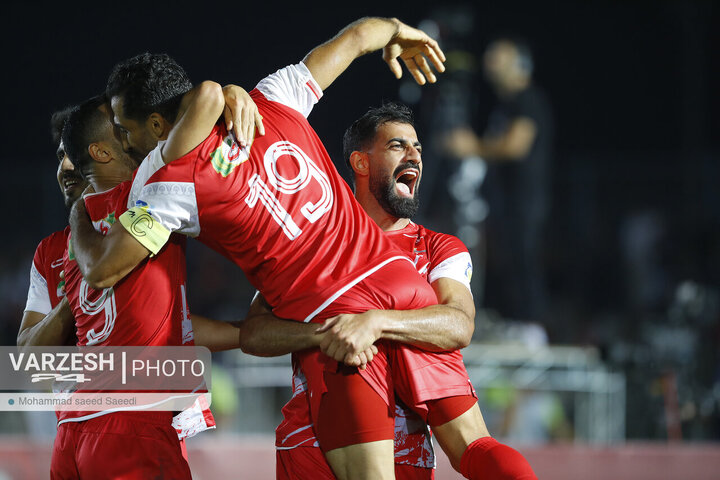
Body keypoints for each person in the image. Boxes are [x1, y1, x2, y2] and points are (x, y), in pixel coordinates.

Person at [68, 18, 534, 479]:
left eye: (126, 131)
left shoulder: (165, 187)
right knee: (475, 447)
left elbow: (105, 270)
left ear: (155, 123)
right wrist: (395, 30)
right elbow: (354, 38)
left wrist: (78, 214)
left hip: (338, 314)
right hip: (400, 278)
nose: (126, 144)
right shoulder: (271, 98)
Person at [235, 102, 535, 479]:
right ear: (361, 163)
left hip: (406, 453)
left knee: (477, 443)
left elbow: (459, 326)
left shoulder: (439, 247)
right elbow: (253, 333)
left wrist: (374, 322)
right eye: (398, 146)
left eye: (418, 149)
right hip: (313, 448)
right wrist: (326, 332)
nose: (415, 156)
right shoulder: (312, 239)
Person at [52, 96, 209, 479]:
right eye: (121, 127)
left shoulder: (73, 236)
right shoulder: (146, 194)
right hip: (132, 425)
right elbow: (203, 106)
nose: (133, 129)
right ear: (103, 151)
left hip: (73, 430)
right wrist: (231, 95)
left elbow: (165, 317)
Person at [445, 37, 553, 322]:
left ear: (519, 64)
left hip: (525, 199)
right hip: (504, 200)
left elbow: (516, 146)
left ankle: (534, 326)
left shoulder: (528, 99)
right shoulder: (503, 106)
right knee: (507, 262)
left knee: (524, 260)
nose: (490, 63)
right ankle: (517, 321)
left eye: (499, 58)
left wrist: (472, 147)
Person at [18, 109, 87, 348]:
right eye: (61, 156)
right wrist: (74, 295)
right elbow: (27, 357)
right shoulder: (50, 250)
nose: (66, 166)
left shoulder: (139, 228)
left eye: (76, 153)